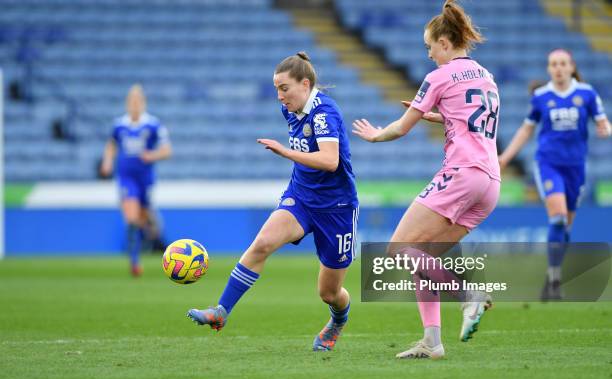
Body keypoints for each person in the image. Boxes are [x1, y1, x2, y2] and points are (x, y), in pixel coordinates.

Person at [352, 0, 499, 359]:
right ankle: (432, 341)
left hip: (461, 173)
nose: (430, 54)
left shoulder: (440, 75)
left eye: (430, 46)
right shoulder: (485, 75)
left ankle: (469, 297)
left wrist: (375, 136)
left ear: (445, 43)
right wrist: (439, 116)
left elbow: (401, 129)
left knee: (398, 249)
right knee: (424, 258)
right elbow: (471, 121)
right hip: (489, 182)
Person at [188, 52, 359, 352]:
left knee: (329, 292)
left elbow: (331, 161)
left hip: (337, 208)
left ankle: (338, 320)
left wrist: (285, 152)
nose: (279, 96)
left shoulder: (324, 113)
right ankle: (221, 311)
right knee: (263, 243)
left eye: (284, 88)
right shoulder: (291, 109)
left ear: (304, 84)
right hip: (302, 198)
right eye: (276, 89)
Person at [499, 49, 610, 300]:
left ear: (571, 67)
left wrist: (605, 128)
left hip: (576, 167)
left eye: (562, 64)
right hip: (548, 164)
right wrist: (505, 157)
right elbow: (526, 130)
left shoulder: (587, 94)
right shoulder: (541, 97)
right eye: (553, 64)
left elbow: (603, 121)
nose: (558, 68)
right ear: (549, 69)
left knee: (566, 225)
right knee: (558, 218)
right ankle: (554, 278)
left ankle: (553, 274)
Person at [100, 84, 172, 277]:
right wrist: (107, 161)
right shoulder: (119, 125)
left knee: (143, 217)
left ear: (143, 103)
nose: (134, 105)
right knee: (131, 217)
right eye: (131, 101)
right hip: (126, 177)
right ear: (127, 103)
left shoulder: (153, 124)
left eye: (138, 101)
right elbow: (111, 145)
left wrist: (152, 155)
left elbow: (167, 151)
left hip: (145, 178)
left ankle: (154, 234)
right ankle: (134, 261)